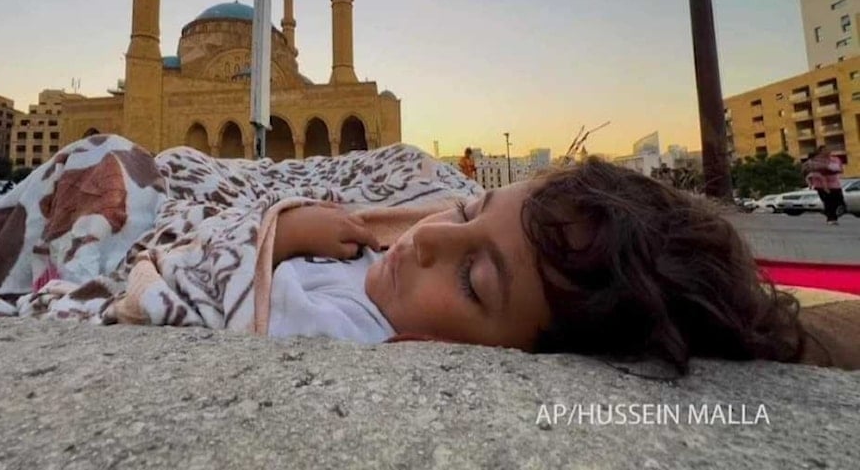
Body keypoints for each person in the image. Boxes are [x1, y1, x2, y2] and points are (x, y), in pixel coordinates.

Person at [269, 158, 858, 371]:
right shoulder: (392, 262)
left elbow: (205, 280)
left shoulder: (338, 329)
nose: (427, 240)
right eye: (466, 208)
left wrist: (276, 236)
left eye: (473, 280)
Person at [804, 145, 845, 224]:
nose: (827, 151)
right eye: (824, 150)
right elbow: (810, 170)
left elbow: (840, 169)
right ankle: (831, 218)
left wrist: (831, 169)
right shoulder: (815, 160)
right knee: (828, 202)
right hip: (821, 185)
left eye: (828, 149)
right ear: (820, 152)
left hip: (835, 184)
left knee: (839, 201)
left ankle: (833, 214)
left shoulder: (835, 159)